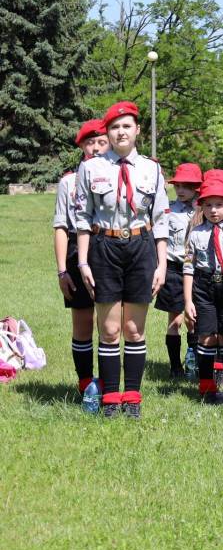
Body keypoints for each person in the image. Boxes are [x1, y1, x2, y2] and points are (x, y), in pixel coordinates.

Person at [75, 101, 170, 419]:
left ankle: (132, 398)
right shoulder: (91, 168)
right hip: (105, 247)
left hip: (141, 247)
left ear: (137, 130)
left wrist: (162, 264)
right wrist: (83, 262)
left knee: (133, 328)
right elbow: (83, 219)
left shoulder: (152, 169)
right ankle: (110, 398)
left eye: (126, 126)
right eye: (115, 127)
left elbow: (160, 220)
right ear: (108, 133)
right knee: (109, 329)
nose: (121, 132)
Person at [53, 119, 108, 399]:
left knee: (110, 323)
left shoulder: (118, 176)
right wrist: (62, 270)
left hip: (109, 247)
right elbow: (61, 227)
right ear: (82, 147)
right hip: (77, 250)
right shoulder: (69, 182)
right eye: (90, 142)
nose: (96, 147)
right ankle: (86, 385)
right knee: (83, 322)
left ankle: (110, 384)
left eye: (102, 142)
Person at [183, 171, 223, 406]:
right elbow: (188, 267)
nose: (213, 210)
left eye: (219, 205)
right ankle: (207, 390)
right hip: (204, 286)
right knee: (207, 338)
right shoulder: (196, 233)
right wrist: (188, 300)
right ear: (202, 206)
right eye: (208, 205)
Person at [154, 162, 202, 378]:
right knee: (175, 320)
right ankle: (175, 367)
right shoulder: (169, 210)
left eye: (187, 186)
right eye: (178, 186)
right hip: (174, 268)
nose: (181, 190)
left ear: (197, 187)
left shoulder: (204, 210)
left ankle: (194, 360)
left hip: (197, 270)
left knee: (194, 319)